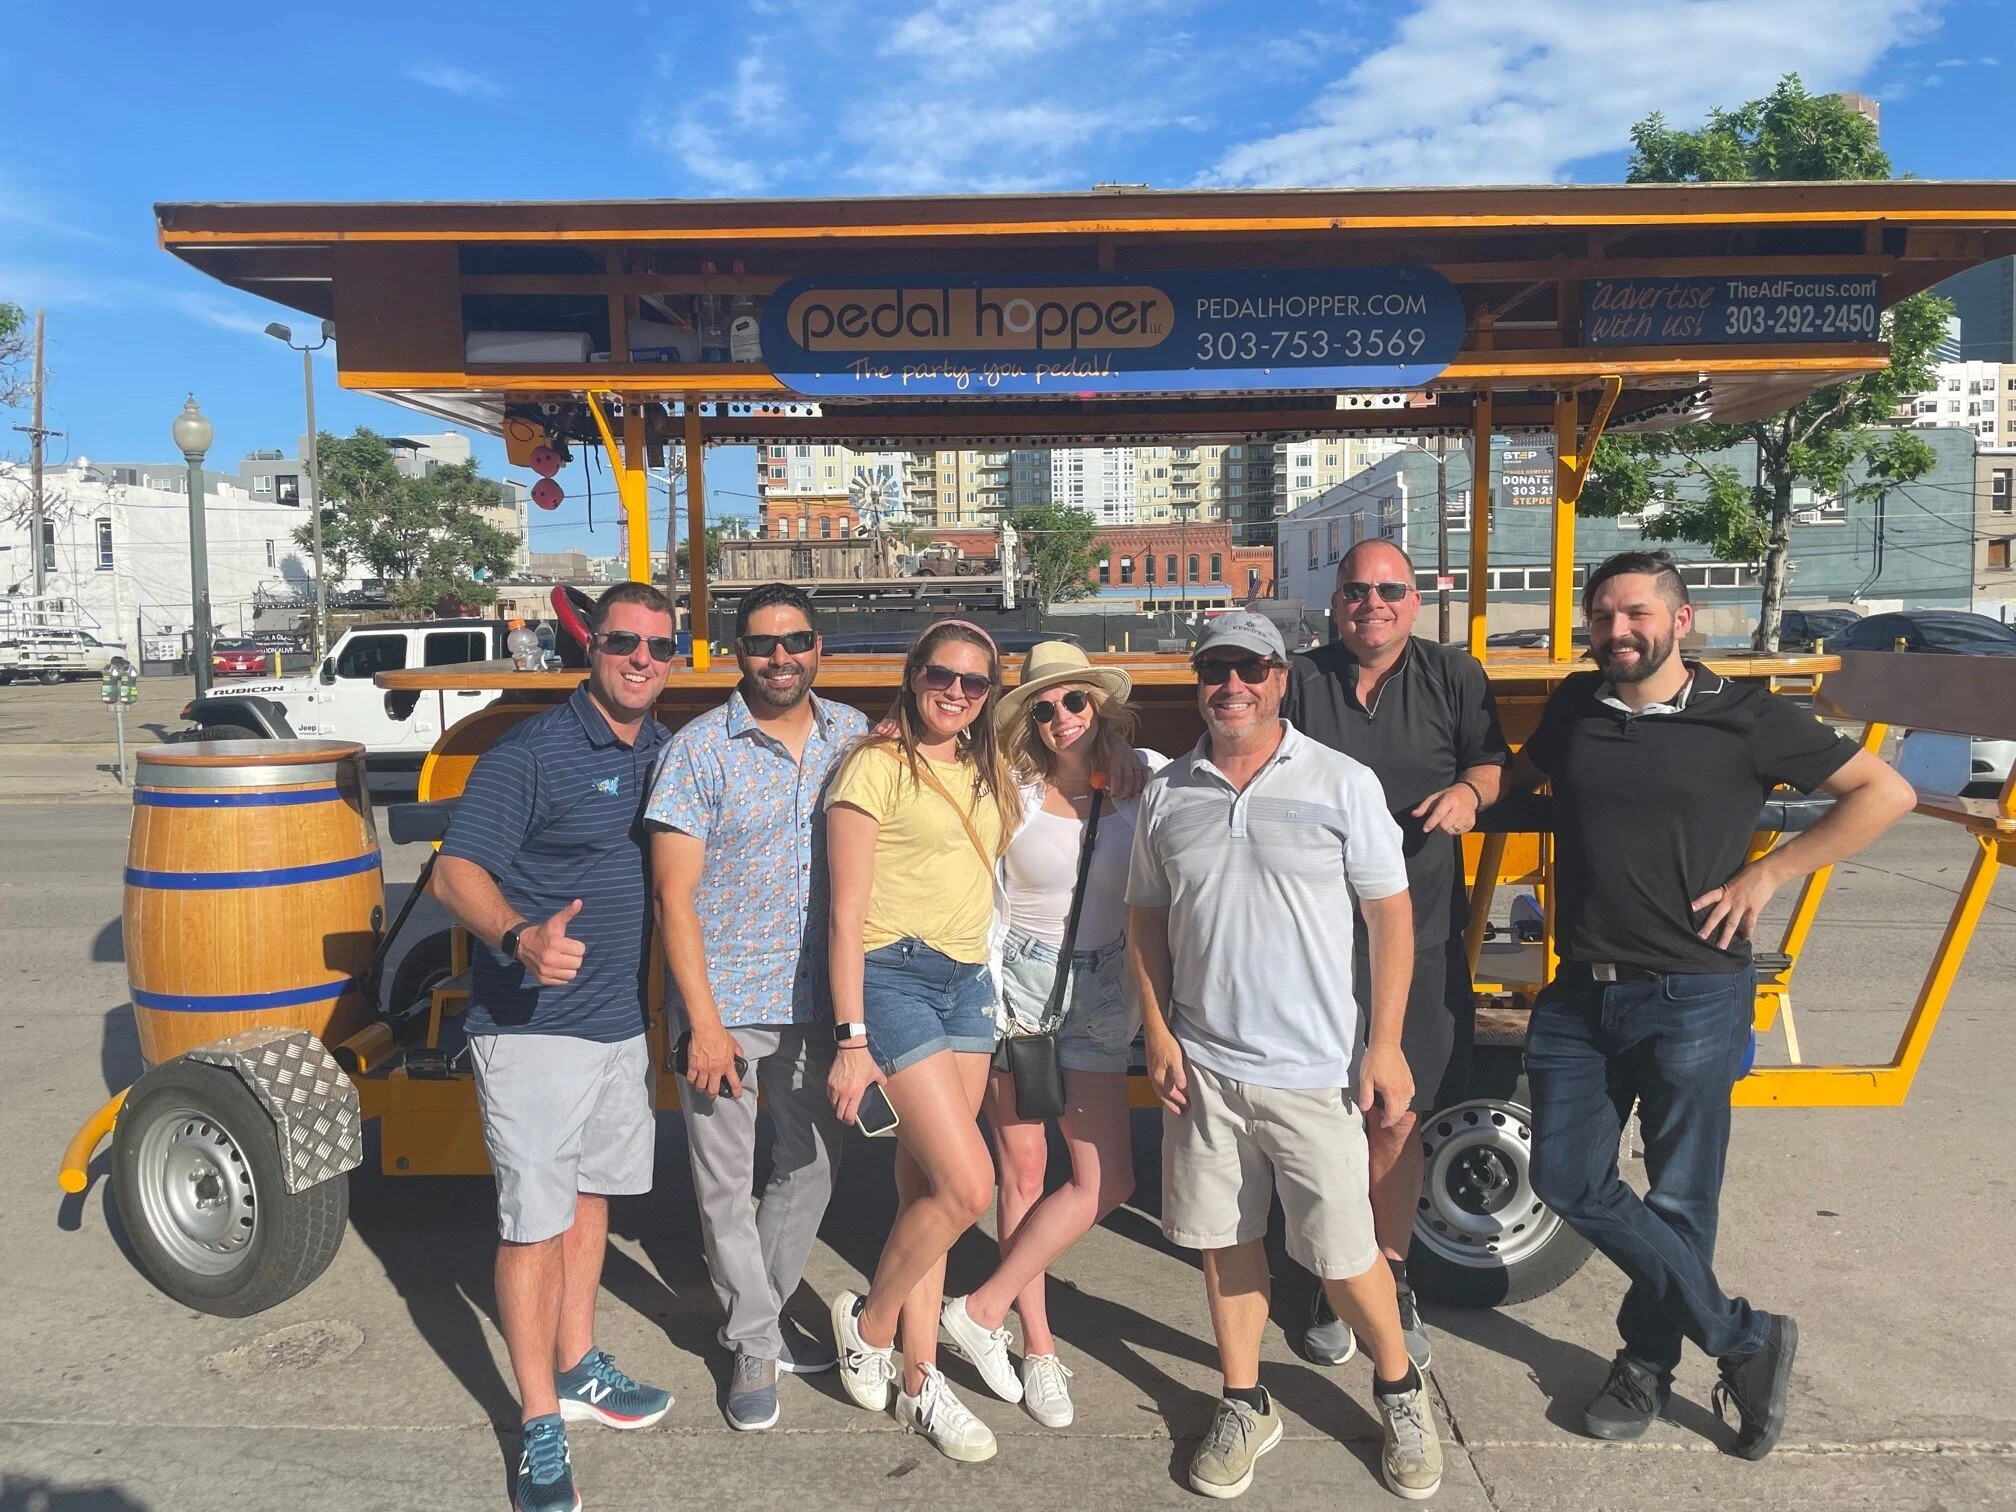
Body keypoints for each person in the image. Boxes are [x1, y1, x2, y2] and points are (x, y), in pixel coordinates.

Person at [1516, 551, 1913, 1457]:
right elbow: (1524, 769)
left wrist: (1772, 870)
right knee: (1566, 1179)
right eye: (1603, 616)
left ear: (1681, 620)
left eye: (1636, 615)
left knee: (1681, 1197)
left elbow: (1882, 793)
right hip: (1581, 990)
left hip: (1693, 991)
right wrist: (1469, 787)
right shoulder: (1578, 703)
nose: (1618, 631)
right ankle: (1743, 1336)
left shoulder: (1748, 717)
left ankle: (1646, 1367)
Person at [1129, 610, 1446, 1502]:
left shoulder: (1342, 783)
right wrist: (1156, 1028)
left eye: (1251, 669)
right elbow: (1145, 917)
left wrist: (1383, 1044)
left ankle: (1398, 1388)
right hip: (1206, 1069)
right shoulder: (1170, 792)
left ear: (1280, 680)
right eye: (1215, 670)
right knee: (1225, 1246)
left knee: (1346, 1257)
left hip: (1314, 1070)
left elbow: (1390, 916)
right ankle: (1244, 1399)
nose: (1232, 686)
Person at [433, 581, 680, 1512]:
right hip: (532, 1030)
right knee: (532, 1225)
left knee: (588, 1201)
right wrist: (517, 938)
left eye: (659, 643)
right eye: (624, 641)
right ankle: (539, 1418)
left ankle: (579, 1364)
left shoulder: (660, 749)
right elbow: (456, 868)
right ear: (594, 646)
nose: (642, 659)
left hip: (619, 1023)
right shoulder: (529, 753)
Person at [645, 583, 867, 1432]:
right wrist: (699, 1019)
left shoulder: (854, 736)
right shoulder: (699, 750)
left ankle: (763, 1321)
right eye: (764, 644)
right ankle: (752, 1342)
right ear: (738, 652)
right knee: (723, 1184)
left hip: (821, 997)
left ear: (819, 647)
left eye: (797, 641)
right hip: (725, 1004)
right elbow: (674, 897)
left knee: (813, 1162)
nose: (782, 658)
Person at [1283, 539, 1508, 1369]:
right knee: (1320, 1120)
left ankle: (1388, 1267)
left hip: (1419, 936)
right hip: (1310, 941)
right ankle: (1329, 1271)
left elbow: (1494, 760)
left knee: (1396, 1115)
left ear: (1414, 600)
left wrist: (1469, 792)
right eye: (1354, 590)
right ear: (1334, 601)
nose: (1370, 603)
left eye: (1388, 589)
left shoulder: (1454, 675)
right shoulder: (1300, 680)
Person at [936, 641, 1168, 1430]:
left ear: (1099, 704)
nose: (1059, 718)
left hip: (1105, 986)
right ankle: (1036, 1347)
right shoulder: (1011, 790)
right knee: (1024, 1172)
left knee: (1110, 1181)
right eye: (1042, 708)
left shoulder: (1148, 776)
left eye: (1073, 702)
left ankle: (979, 1307)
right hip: (1023, 984)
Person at [824, 620, 1020, 1463]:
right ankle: (868, 1325)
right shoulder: (873, 766)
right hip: (893, 977)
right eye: (942, 676)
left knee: (928, 1192)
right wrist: (850, 1038)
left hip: (969, 982)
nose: (956, 693)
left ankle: (919, 1379)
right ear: (912, 675)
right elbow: (842, 912)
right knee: (970, 1185)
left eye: (975, 684)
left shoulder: (988, 766)